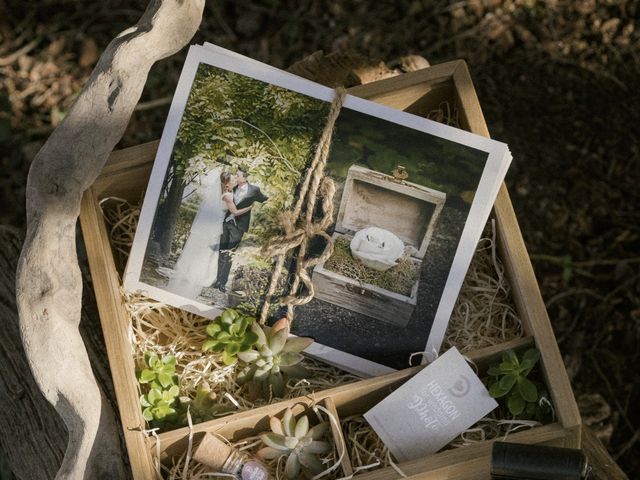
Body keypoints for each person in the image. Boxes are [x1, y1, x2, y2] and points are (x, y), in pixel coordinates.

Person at [213, 168, 268, 292]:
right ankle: (217, 281)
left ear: (245, 177)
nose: (235, 178)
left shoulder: (254, 190)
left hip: (238, 227)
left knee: (230, 254)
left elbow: (265, 199)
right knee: (222, 252)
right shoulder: (233, 187)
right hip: (226, 223)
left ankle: (223, 282)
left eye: (238, 176)